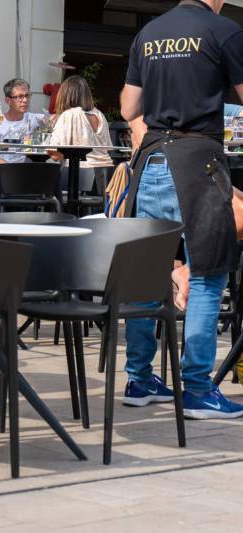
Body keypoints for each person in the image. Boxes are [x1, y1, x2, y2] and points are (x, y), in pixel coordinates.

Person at [120, 0, 243, 418]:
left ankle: (139, 380)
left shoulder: (150, 32)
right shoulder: (223, 30)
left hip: (151, 161)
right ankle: (195, 388)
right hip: (196, 163)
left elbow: (127, 108)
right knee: (208, 275)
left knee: (147, 273)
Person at [48, 75, 114, 193]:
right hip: (107, 173)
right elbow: (107, 148)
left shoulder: (69, 115)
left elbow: (55, 155)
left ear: (65, 95)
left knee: (50, 193)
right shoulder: (99, 114)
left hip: (80, 175)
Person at [0, 78, 48, 164]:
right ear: (8, 100)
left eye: (27, 95)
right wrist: (9, 169)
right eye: (20, 97)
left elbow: (55, 119)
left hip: (23, 171)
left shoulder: (34, 119)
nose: (25, 100)